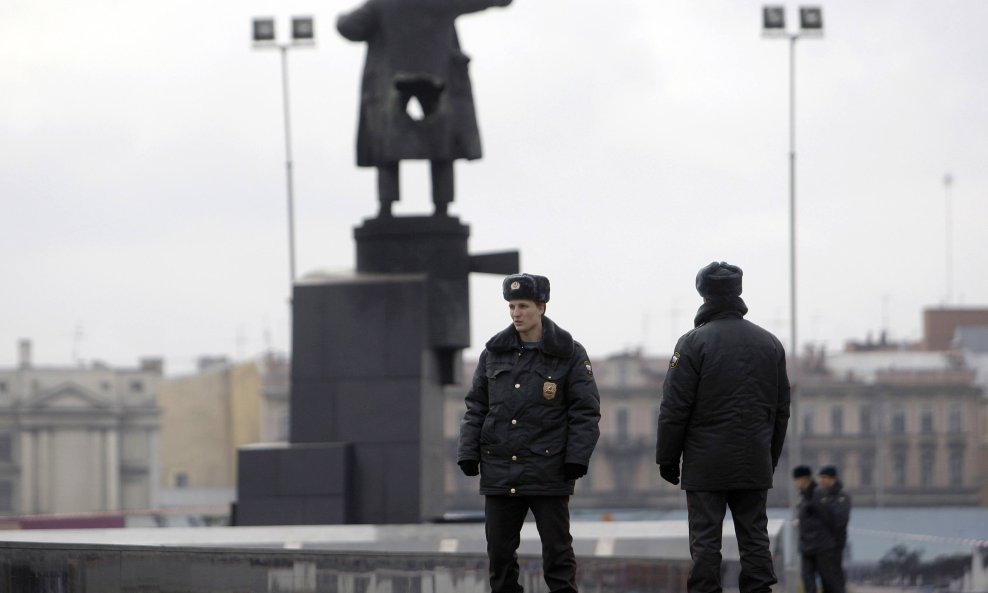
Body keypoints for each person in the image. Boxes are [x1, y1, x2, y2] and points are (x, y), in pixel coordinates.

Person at [458, 273, 601, 593]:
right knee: (499, 557)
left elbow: (585, 411)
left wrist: (576, 458)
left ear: (541, 307)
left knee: (558, 555)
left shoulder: (569, 353)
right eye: (511, 306)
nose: (516, 313)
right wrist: (467, 451)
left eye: (523, 305)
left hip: (548, 469)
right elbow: (476, 406)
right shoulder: (493, 352)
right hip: (499, 468)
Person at [656, 261, 791, 593]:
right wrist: (769, 457)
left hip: (705, 463)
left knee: (705, 541)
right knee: (755, 537)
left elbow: (675, 406)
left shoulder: (691, 344)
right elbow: (781, 410)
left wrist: (668, 458)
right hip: (753, 460)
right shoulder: (771, 344)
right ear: (738, 292)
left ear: (703, 294)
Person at [337, 0, 512, 217]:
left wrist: (342, 19)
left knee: (388, 148)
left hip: (392, 84)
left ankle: (386, 205)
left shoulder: (382, 4)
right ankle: (442, 207)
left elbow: (349, 28)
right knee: (442, 145)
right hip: (438, 81)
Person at [793, 465, 844, 593]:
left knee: (828, 582)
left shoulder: (818, 494)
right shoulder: (803, 496)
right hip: (807, 547)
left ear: (804, 479)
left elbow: (829, 518)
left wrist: (828, 540)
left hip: (821, 547)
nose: (795, 483)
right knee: (808, 581)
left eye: (797, 479)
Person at [817, 465, 852, 587]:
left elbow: (840, 521)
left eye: (824, 477)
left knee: (835, 574)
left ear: (833, 479)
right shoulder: (820, 496)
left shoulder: (842, 497)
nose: (821, 480)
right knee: (825, 576)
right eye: (820, 477)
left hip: (835, 543)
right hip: (821, 544)